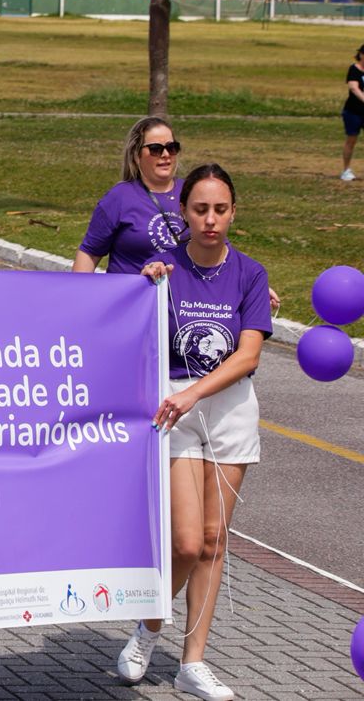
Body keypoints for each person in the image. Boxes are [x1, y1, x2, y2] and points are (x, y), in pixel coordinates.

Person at [117, 164, 270, 701]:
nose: (210, 220)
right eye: (200, 209)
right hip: (173, 409)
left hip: (225, 410)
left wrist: (195, 393)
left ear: (233, 212)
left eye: (220, 209)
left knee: (213, 541)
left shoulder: (251, 273)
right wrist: (142, 287)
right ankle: (149, 628)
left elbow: (248, 353)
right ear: (183, 211)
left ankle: (194, 662)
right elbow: (125, 328)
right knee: (184, 540)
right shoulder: (163, 271)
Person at [74, 117, 187, 275]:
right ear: (136, 154)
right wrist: (79, 295)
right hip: (133, 298)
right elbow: (89, 253)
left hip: (179, 298)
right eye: (156, 148)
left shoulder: (191, 191)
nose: (166, 154)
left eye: (172, 147)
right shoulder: (119, 197)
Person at [342, 44, 364, 181]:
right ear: (361, 54)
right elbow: (354, 88)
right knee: (351, 140)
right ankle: (346, 170)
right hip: (353, 112)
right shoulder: (354, 69)